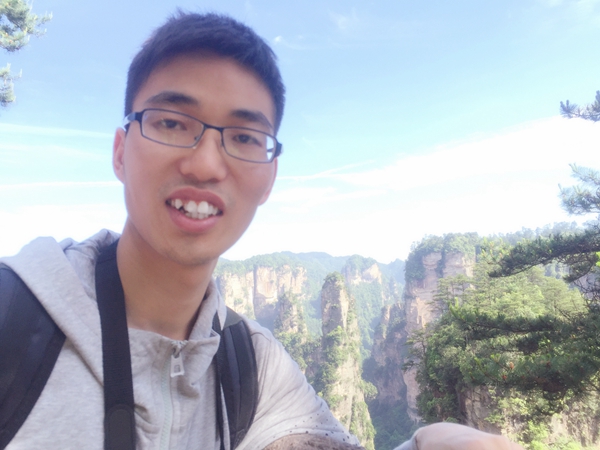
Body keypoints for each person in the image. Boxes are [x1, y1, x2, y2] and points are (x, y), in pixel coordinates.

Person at [0, 11, 524, 450]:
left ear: (269, 177)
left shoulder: (253, 366)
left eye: (244, 137)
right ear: (120, 151)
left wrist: (424, 442)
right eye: (172, 123)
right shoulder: (14, 321)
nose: (205, 164)